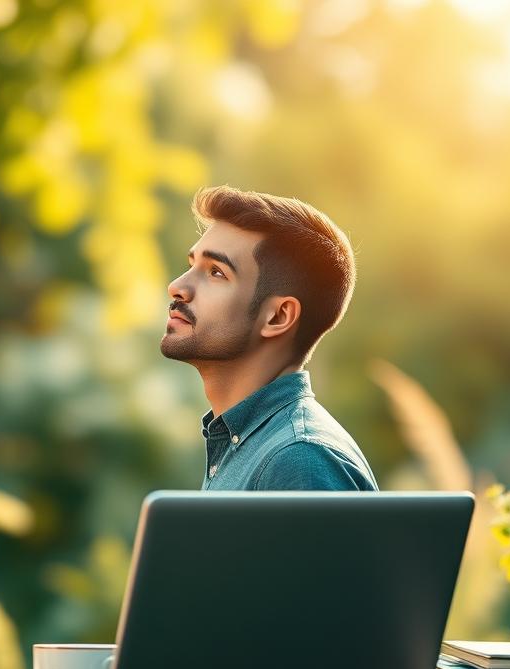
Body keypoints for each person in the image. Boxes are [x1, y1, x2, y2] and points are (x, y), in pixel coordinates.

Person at [161, 185, 377, 491]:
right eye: (191, 264)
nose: (177, 286)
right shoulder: (249, 444)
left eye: (216, 272)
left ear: (278, 317)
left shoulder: (299, 460)